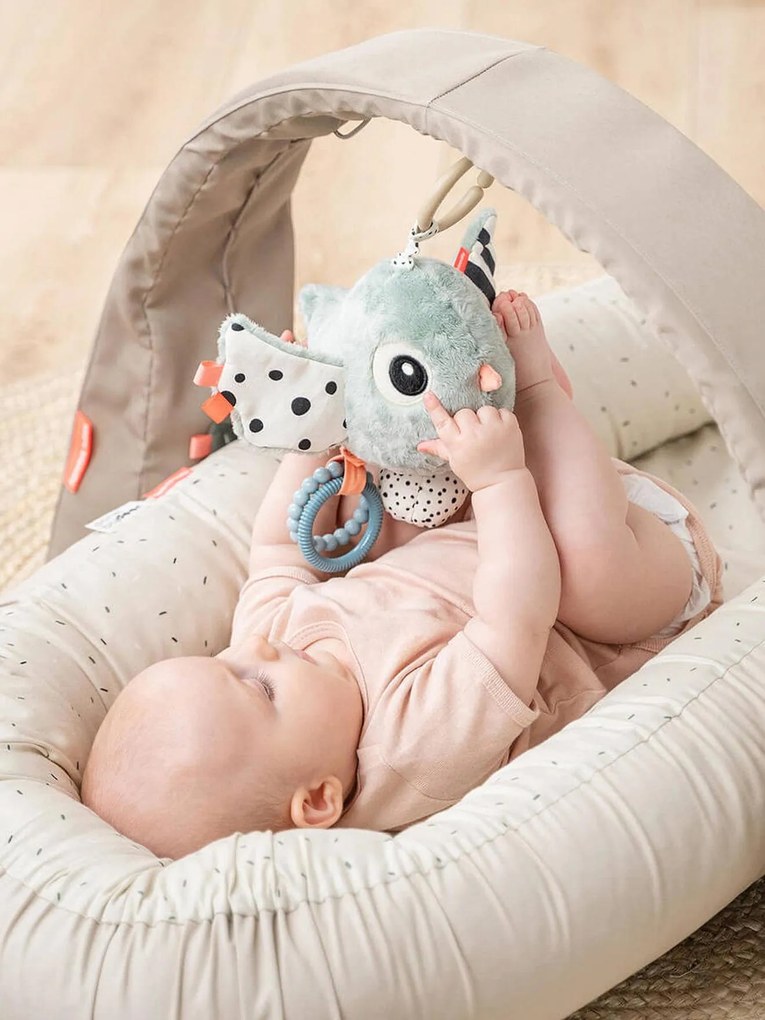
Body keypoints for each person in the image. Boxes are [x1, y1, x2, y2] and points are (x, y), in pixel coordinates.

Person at [80, 291, 722, 859]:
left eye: (222, 660)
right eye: (260, 689)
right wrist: (498, 479)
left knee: (365, 519)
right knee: (582, 571)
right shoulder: (412, 746)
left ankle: (497, 411)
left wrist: (312, 436)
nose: (257, 649)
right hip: (631, 593)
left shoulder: (270, 640)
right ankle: (537, 393)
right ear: (319, 800)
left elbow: (278, 548)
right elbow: (517, 616)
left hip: (496, 522)